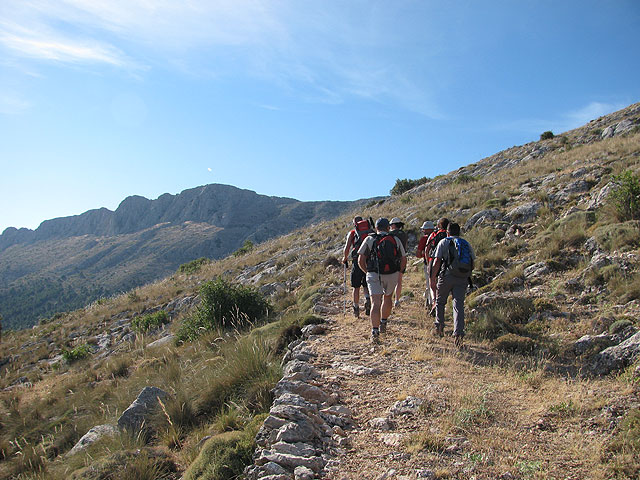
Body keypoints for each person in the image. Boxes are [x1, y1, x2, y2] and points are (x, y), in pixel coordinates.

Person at [358, 218, 407, 343]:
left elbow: (360, 259)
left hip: (374, 273)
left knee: (375, 302)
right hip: (392, 273)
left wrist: (367, 272)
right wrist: (399, 271)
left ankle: (375, 331)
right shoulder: (395, 239)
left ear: (376, 228)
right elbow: (403, 258)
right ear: (388, 228)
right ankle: (383, 322)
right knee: (388, 297)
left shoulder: (369, 239)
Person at [430, 222, 475, 347]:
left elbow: (437, 261)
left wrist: (433, 277)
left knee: (440, 302)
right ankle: (458, 334)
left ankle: (439, 328)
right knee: (458, 305)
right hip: (462, 278)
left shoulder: (444, 242)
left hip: (446, 276)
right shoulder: (465, 243)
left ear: (447, 232)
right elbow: (472, 264)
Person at [342, 216, 372, 317]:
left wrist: (345, 258)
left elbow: (347, 248)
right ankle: (367, 299)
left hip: (357, 260)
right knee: (366, 283)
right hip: (369, 259)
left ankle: (356, 308)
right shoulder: (370, 231)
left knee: (356, 286)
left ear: (354, 223)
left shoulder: (352, 233)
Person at [424, 217, 449, 314]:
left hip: (433, 260)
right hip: (446, 262)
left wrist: (428, 263)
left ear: (439, 225)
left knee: (432, 283)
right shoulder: (448, 234)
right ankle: (442, 303)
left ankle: (434, 302)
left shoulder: (434, 234)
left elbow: (427, 250)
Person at [389, 218, 409, 307]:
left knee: (390, 280)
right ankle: (397, 300)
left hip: (392, 259)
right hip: (402, 258)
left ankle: (388, 298)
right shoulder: (404, 234)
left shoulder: (391, 234)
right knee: (399, 281)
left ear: (394, 225)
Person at [416, 220, 435, 306]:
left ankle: (431, 303)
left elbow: (418, 254)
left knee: (429, 283)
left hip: (428, 263)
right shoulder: (438, 237)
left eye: (424, 229)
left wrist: (424, 255)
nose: (423, 231)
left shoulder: (424, 239)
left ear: (428, 229)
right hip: (441, 264)